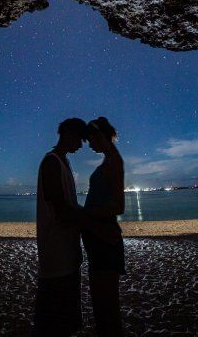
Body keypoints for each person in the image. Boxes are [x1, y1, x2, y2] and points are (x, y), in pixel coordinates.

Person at [33, 118, 88, 336]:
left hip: (66, 245)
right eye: (79, 139)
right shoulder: (52, 162)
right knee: (54, 308)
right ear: (68, 134)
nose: (81, 145)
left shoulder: (63, 162)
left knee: (64, 307)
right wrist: (88, 219)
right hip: (56, 247)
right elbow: (60, 207)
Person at [81, 116, 125, 336]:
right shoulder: (108, 161)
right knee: (100, 302)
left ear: (100, 136)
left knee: (106, 304)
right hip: (98, 240)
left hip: (106, 241)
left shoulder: (114, 162)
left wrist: (85, 213)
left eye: (91, 139)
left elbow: (119, 205)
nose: (89, 145)